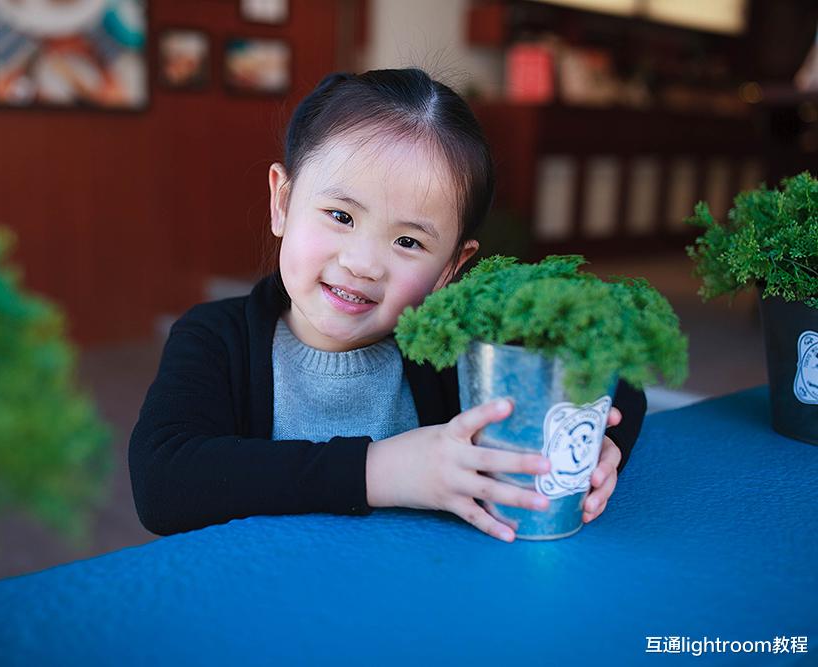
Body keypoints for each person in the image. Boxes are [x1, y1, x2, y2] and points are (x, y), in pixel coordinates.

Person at [128, 68, 646, 542]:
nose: (363, 263)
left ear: (450, 269)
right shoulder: (216, 337)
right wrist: (383, 470)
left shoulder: (463, 350)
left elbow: (619, 378)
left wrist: (598, 439)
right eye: (340, 215)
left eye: (408, 243)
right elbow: (164, 481)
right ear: (282, 202)